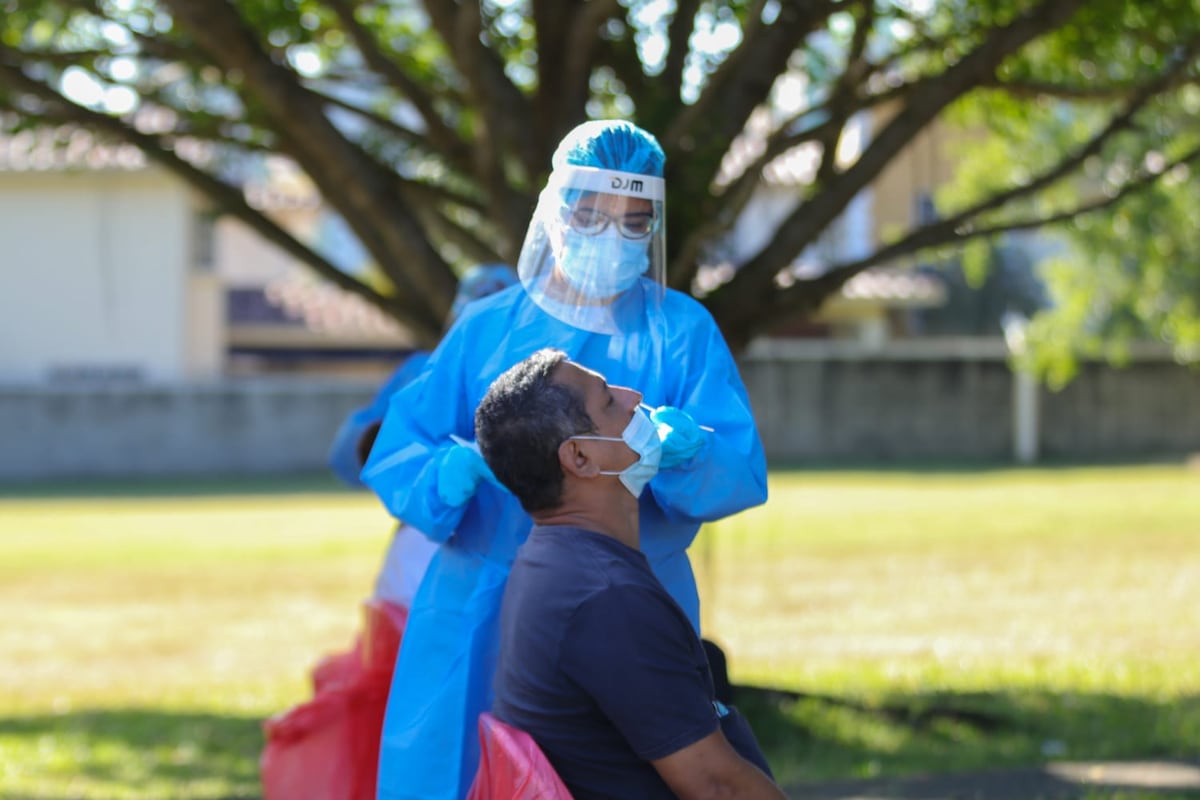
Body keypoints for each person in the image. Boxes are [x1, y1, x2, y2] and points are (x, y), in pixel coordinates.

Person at [363, 119, 768, 800]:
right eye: (591, 216)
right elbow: (402, 445)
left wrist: (688, 451)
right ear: (556, 211)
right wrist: (441, 475)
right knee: (457, 768)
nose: (612, 237)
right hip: (480, 601)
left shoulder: (681, 331)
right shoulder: (487, 328)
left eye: (634, 222)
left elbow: (737, 467)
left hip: (628, 595)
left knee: (636, 768)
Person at [475, 348, 785, 799]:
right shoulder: (607, 597)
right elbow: (718, 787)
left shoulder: (549, 559)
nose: (634, 397)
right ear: (580, 458)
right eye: (608, 400)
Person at [259, 264, 518, 800]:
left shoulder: (539, 377)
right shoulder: (426, 372)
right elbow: (353, 454)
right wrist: (399, 446)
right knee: (413, 700)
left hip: (504, 563)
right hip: (424, 555)